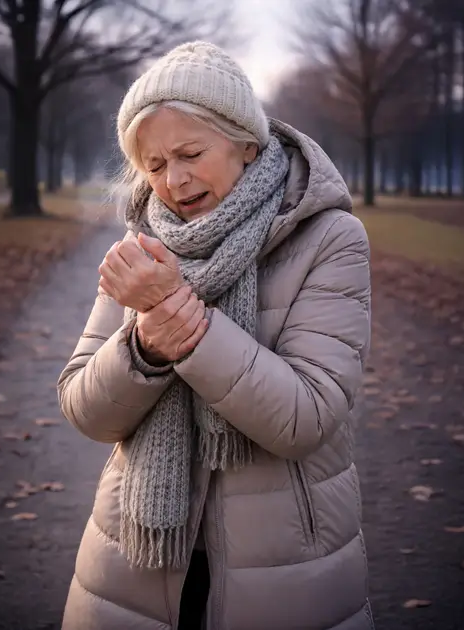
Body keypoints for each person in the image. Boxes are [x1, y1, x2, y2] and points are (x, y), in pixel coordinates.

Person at [56, 40, 373, 630]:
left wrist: (175, 315)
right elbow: (85, 408)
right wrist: (146, 345)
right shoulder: (141, 249)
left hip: (286, 570)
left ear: (246, 143)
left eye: (190, 153)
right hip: (134, 565)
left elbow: (306, 416)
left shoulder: (329, 239)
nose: (172, 181)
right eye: (153, 165)